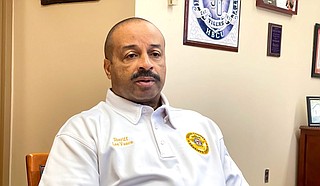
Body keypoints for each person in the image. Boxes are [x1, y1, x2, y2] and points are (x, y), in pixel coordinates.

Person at [39, 17, 249, 186]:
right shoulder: (83, 132)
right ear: (107, 67)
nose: (146, 64)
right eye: (131, 55)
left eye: (155, 54)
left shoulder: (203, 126)